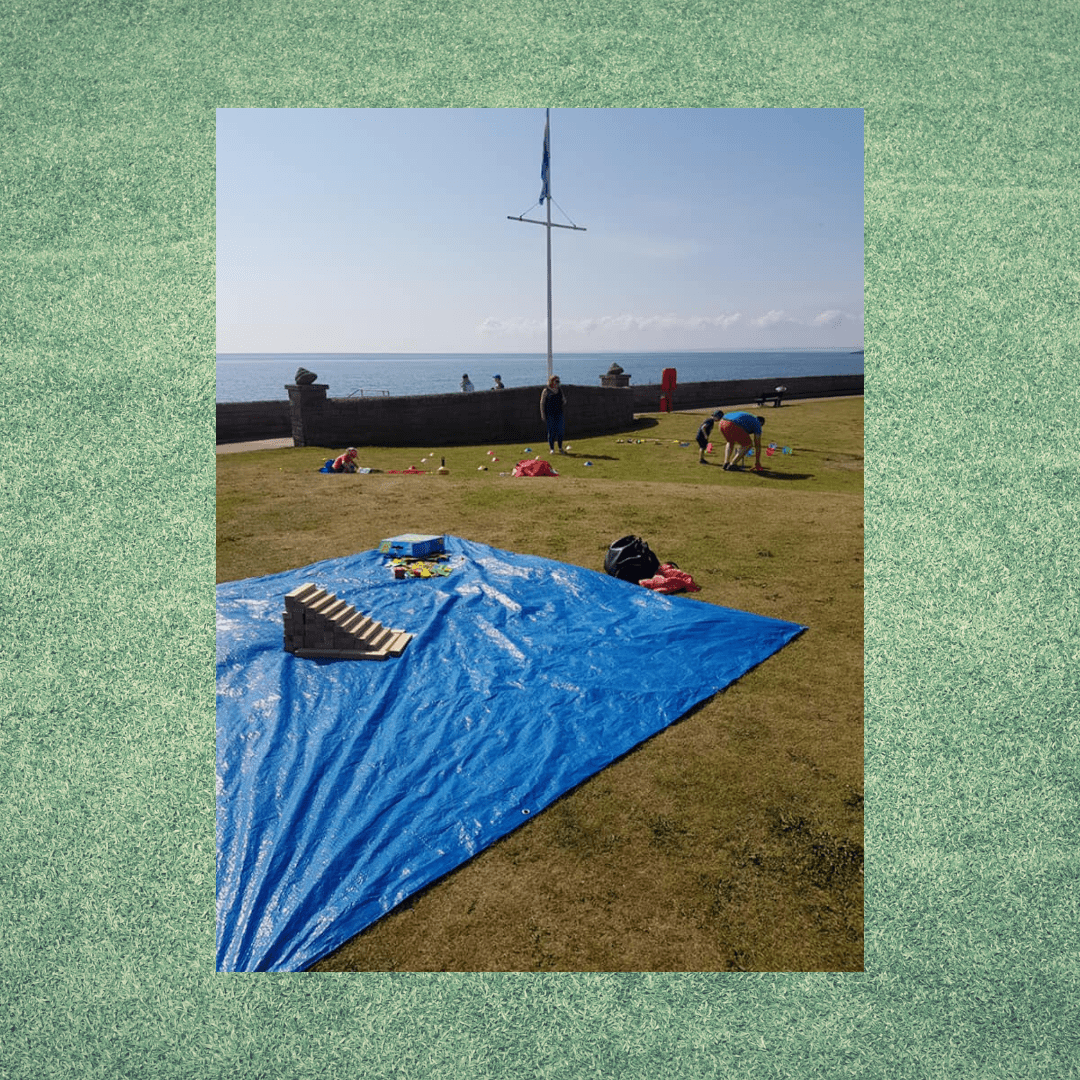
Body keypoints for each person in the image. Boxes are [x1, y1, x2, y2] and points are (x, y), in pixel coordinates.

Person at [539, 375, 567, 454]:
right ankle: (552, 449)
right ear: (552, 381)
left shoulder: (559, 390)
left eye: (558, 381)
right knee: (551, 432)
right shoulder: (546, 391)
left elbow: (564, 400)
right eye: (556, 381)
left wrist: (563, 400)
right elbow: (542, 403)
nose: (558, 383)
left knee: (560, 431)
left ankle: (560, 448)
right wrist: (542, 414)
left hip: (559, 413)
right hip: (550, 414)